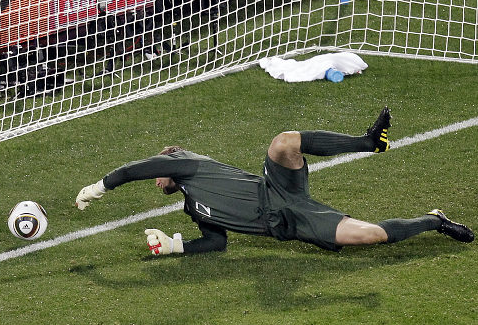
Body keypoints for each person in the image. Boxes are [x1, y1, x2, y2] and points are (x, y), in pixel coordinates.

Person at [75, 107, 474, 255]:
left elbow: (133, 170)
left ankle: (369, 142)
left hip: (276, 188)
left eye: (158, 174)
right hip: (289, 223)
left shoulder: (186, 163)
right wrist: (177, 247)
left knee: (283, 142)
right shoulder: (194, 206)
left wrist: (99, 187)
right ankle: (435, 219)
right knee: (372, 236)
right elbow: (216, 242)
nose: (155, 181)